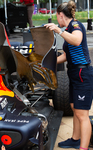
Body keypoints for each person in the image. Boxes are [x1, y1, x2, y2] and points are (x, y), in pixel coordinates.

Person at [44, 1, 93, 150]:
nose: (56, 19)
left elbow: (77, 41)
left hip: (82, 73)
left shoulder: (76, 26)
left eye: (56, 16)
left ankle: (83, 147)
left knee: (82, 114)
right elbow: (66, 54)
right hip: (73, 72)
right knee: (74, 108)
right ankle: (75, 139)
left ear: (60, 15)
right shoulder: (69, 28)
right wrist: (46, 63)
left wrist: (59, 31)